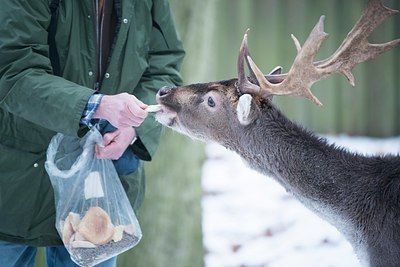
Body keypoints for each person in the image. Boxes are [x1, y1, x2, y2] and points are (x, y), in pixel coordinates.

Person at [0, 0, 185, 266]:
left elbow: (165, 62)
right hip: (18, 182)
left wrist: (133, 128)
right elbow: (13, 70)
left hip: (102, 191)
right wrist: (96, 105)